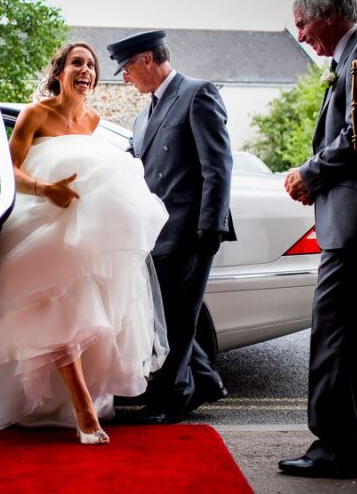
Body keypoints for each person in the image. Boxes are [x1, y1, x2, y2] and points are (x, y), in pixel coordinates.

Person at [0, 42, 169, 445]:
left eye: (90, 65)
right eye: (77, 62)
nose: (85, 70)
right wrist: (43, 188)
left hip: (84, 237)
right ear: (60, 72)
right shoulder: (35, 114)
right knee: (61, 307)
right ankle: (84, 409)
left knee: (82, 313)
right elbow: (9, 170)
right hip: (39, 225)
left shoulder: (93, 121)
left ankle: (71, 403)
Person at [107, 30, 235, 424]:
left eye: (127, 68)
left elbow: (218, 165)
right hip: (155, 233)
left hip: (191, 230)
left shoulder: (198, 93)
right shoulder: (143, 115)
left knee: (177, 318)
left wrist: (210, 228)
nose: (126, 78)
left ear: (147, 60)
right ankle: (207, 380)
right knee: (168, 314)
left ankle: (173, 398)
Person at [279, 0, 357, 478]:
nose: (299, 36)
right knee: (351, 343)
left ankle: (336, 450)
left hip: (353, 225)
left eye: (302, 23)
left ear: (332, 13)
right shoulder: (351, 57)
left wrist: (308, 173)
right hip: (349, 221)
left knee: (333, 338)